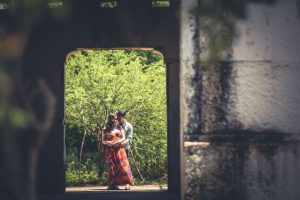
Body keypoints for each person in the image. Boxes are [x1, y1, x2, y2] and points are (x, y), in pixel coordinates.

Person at [102, 113, 133, 190]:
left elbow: (123, 137)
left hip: (119, 149)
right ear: (109, 119)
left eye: (115, 118)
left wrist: (118, 142)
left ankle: (127, 183)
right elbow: (103, 140)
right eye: (113, 118)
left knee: (123, 166)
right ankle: (112, 184)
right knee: (112, 167)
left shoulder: (119, 127)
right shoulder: (105, 129)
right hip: (111, 149)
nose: (115, 120)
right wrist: (107, 142)